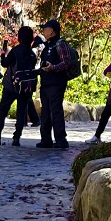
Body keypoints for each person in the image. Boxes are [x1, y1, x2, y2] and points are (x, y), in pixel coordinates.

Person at [0, 25, 37, 146]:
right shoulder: (32, 54)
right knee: (21, 112)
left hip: (11, 85)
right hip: (25, 87)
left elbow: (5, 64)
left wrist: (3, 54)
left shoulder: (15, 51)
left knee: (3, 111)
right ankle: (16, 138)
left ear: (19, 37)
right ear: (31, 39)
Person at [34, 19, 73, 149]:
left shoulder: (60, 44)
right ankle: (46, 139)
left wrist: (53, 68)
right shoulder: (47, 45)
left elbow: (66, 62)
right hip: (45, 83)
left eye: (45, 29)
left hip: (56, 83)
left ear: (51, 31)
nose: (43, 31)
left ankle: (61, 139)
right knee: (45, 111)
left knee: (55, 111)